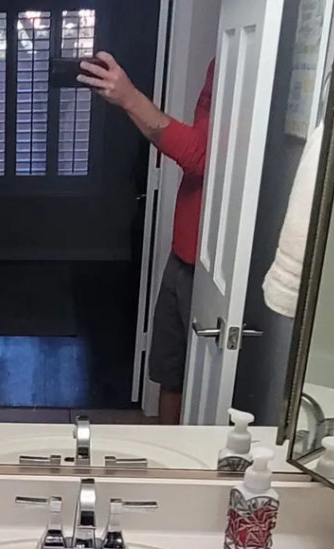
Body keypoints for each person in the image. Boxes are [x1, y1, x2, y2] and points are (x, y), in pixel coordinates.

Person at [79, 54, 214, 424]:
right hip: (182, 255)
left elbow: (201, 157)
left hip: (209, 268)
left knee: (202, 384)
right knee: (169, 376)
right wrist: (124, 101)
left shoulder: (244, 64)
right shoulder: (218, 62)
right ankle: (167, 467)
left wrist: (129, 97)